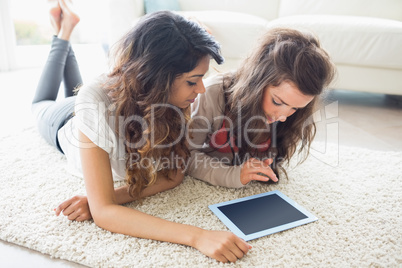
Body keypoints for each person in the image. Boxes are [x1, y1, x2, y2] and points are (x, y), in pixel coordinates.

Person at [33, 0, 252, 263]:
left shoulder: (177, 100)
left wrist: (104, 196)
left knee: (76, 91)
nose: (202, 90)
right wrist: (198, 236)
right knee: (40, 104)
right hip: (65, 121)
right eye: (193, 81)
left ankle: (66, 28)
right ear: (158, 77)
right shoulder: (95, 99)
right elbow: (104, 214)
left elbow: (172, 176)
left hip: (97, 105)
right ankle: (63, 33)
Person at [186, 27, 336, 188]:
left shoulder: (288, 117)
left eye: (295, 108)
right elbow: (186, 156)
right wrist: (232, 175)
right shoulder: (212, 94)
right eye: (278, 102)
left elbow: (275, 154)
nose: (283, 116)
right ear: (257, 82)